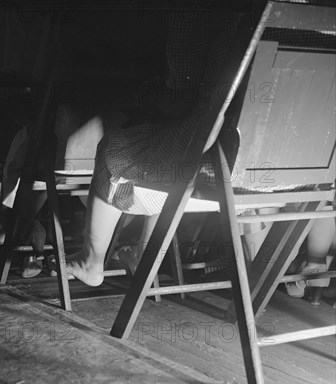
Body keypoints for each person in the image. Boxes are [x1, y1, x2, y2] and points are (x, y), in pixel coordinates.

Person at [65, 8, 243, 286]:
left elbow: (182, 95)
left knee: (116, 146)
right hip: (272, 171)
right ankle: (142, 254)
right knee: (159, 144)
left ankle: (92, 261)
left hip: (206, 161)